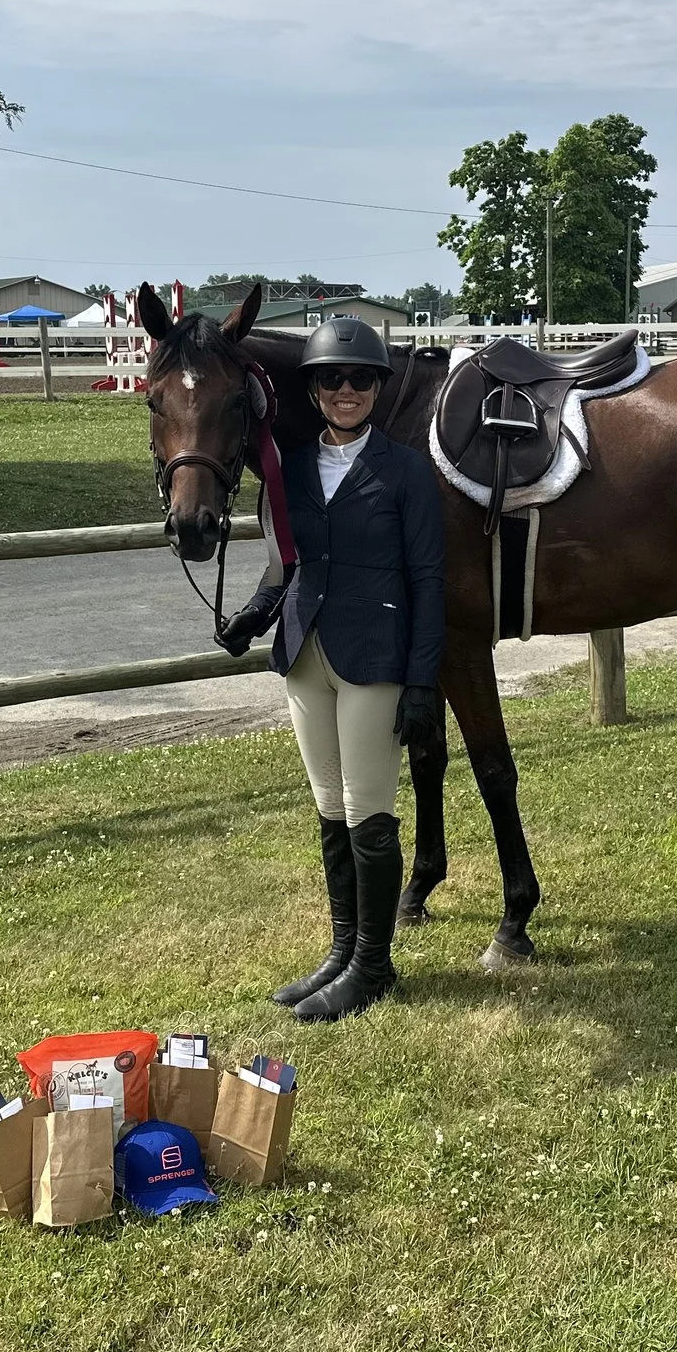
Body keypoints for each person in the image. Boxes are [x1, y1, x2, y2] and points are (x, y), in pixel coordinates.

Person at [217, 317, 445, 1022]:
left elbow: (430, 580)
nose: (346, 390)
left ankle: (374, 965)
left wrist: (422, 682)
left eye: (360, 379)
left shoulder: (406, 469)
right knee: (330, 809)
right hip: (304, 656)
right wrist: (255, 612)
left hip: (374, 656)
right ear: (313, 388)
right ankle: (344, 948)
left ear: (377, 387)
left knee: (370, 809)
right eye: (332, 378)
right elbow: (288, 557)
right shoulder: (291, 465)